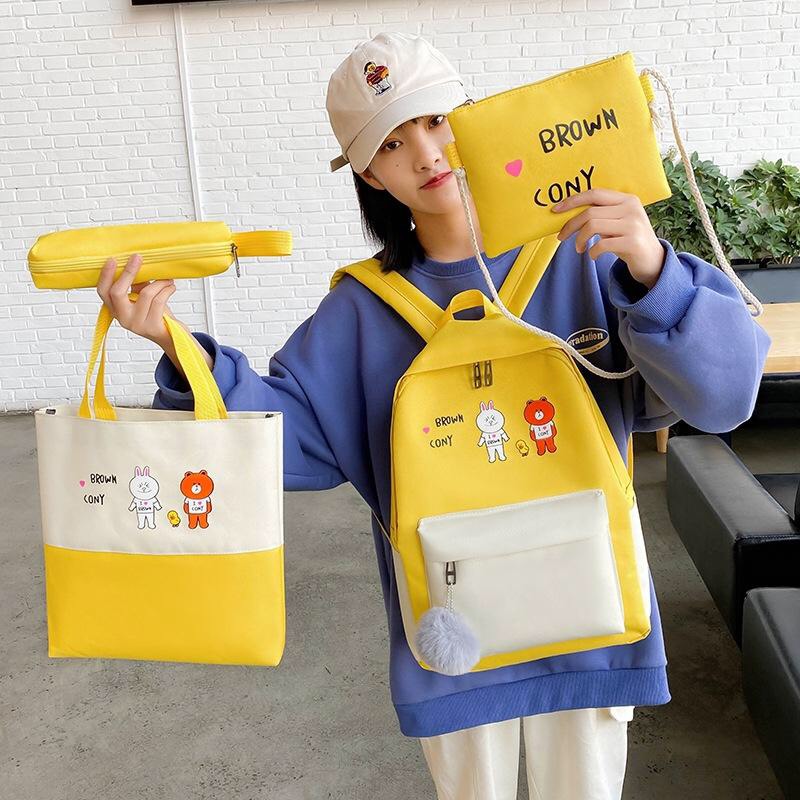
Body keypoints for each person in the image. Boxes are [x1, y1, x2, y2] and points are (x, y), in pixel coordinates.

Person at [97, 32, 772, 800]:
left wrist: (652, 268)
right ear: (368, 173)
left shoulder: (588, 253)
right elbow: (281, 442)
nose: (426, 154)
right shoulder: (360, 312)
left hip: (593, 627)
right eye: (391, 142)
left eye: (437, 120)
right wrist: (175, 345)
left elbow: (723, 399)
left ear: (475, 116)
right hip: (457, 643)